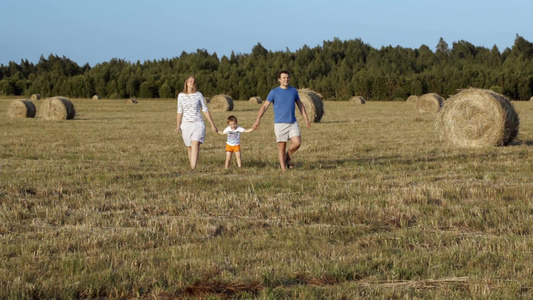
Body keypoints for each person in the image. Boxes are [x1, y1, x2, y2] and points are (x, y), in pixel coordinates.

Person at [252, 70, 311, 171]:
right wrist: (258, 119)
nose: (286, 79)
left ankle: (287, 157)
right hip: (280, 124)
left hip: (292, 122)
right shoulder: (274, 92)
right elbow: (265, 106)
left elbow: (300, 104)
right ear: (279, 79)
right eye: (283, 78)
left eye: (287, 77)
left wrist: (306, 118)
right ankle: (284, 170)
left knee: (297, 142)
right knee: (282, 147)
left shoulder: (293, 91)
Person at [175, 76, 218, 170]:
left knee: (195, 144)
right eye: (190, 81)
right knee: (189, 147)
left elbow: (205, 110)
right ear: (186, 83)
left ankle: (193, 169)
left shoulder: (199, 95)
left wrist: (212, 124)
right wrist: (178, 125)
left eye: (193, 81)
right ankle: (192, 167)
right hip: (186, 124)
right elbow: (179, 111)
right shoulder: (181, 96)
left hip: (198, 123)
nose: (192, 82)